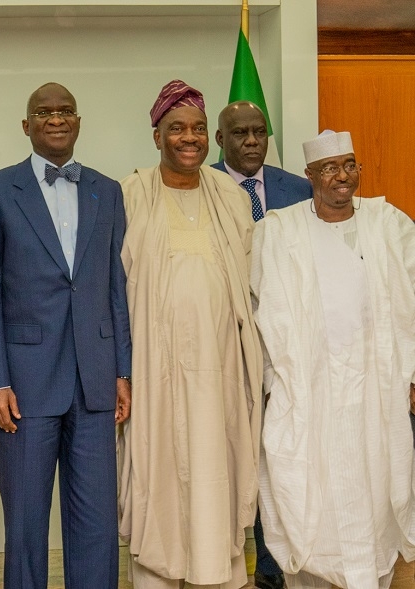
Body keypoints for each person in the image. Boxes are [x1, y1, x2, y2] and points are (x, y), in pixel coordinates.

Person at [0, 82, 131, 589]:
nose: (56, 119)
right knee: (26, 524)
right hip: (23, 386)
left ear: (78, 122)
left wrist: (122, 370)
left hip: (95, 380)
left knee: (97, 525)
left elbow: (115, 288)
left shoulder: (108, 189)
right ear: (27, 125)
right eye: (44, 112)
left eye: (65, 111)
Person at [251, 130, 415, 589]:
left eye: (349, 165)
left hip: (375, 390)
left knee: (376, 490)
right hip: (308, 391)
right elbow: (257, 307)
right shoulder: (279, 231)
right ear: (310, 176)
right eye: (329, 168)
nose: (342, 176)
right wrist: (268, 383)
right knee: (307, 491)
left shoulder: (389, 223)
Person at [117, 80, 263, 589]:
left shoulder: (230, 195)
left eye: (199, 129)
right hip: (153, 373)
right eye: (177, 128)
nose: (190, 138)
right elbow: (112, 291)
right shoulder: (130, 193)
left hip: (221, 372)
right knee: (159, 477)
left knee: (214, 475)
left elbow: (250, 284)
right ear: (156, 135)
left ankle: (217, 576)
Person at [212, 99, 310, 589]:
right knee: (229, 458)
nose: (251, 141)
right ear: (219, 140)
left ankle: (272, 570)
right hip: (220, 348)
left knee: (277, 457)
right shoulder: (199, 184)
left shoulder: (298, 189)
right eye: (240, 133)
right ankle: (224, 563)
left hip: (284, 347)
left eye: (259, 132)